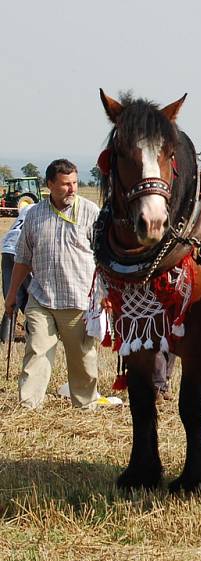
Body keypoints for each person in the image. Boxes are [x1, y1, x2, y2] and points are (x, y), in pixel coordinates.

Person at [4, 159, 102, 410]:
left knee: (82, 359)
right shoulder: (34, 214)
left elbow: (105, 259)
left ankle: (85, 407)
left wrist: (106, 297)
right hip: (42, 298)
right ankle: (28, 407)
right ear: (49, 185)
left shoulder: (91, 213)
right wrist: (12, 294)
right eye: (65, 184)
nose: (72, 189)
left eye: (75, 183)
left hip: (78, 299)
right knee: (36, 351)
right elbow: (23, 259)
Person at [1, 203, 32, 343]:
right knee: (33, 297)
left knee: (12, 297)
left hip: (7, 248)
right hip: (22, 251)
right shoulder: (44, 211)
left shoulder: (27, 208)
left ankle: (5, 338)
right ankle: (37, 333)